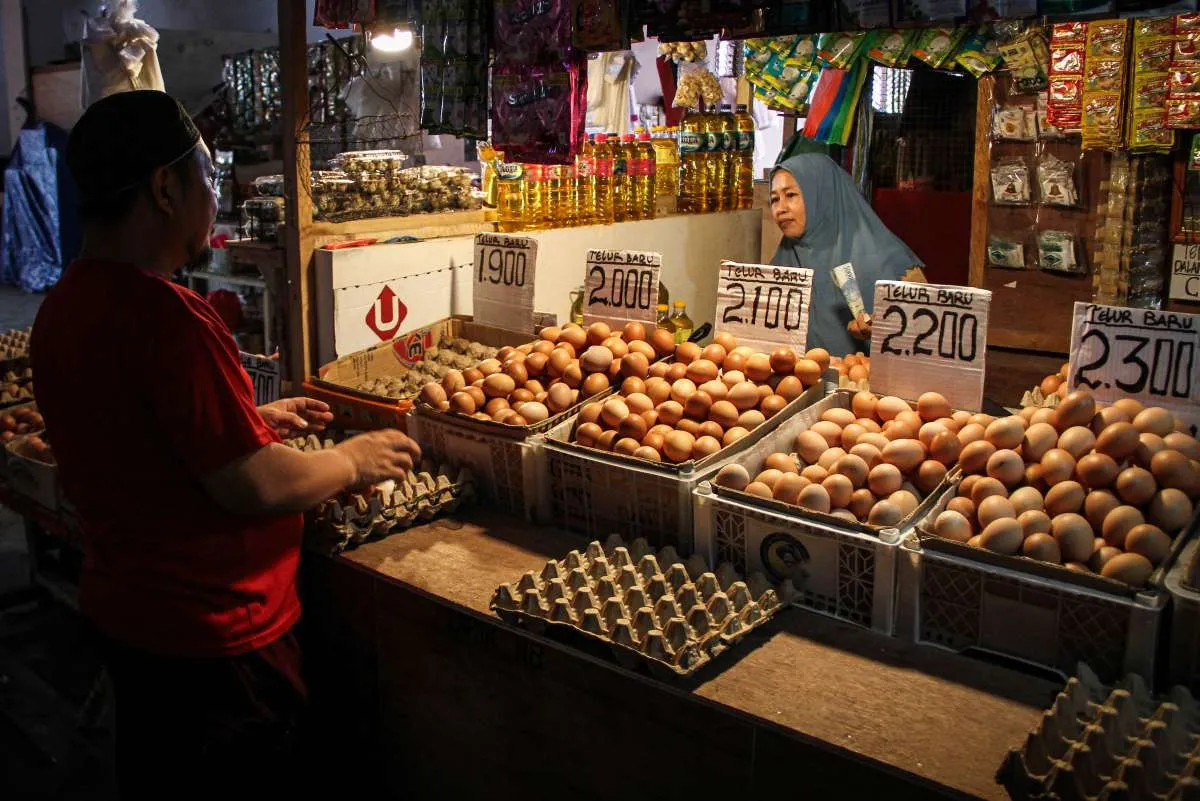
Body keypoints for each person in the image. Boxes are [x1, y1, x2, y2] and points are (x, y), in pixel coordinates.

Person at [30, 91, 422, 799]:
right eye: (206, 178)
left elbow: (141, 441)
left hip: (128, 616)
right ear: (164, 188)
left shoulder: (62, 307)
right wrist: (349, 461)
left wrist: (258, 423)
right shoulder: (168, 318)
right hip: (213, 639)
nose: (213, 197)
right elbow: (251, 486)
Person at [769, 153, 926, 356]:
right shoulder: (783, 261)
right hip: (803, 386)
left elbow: (928, 342)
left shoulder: (893, 265)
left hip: (864, 384)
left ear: (822, 195)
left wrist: (884, 331)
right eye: (774, 199)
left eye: (790, 195)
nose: (780, 209)